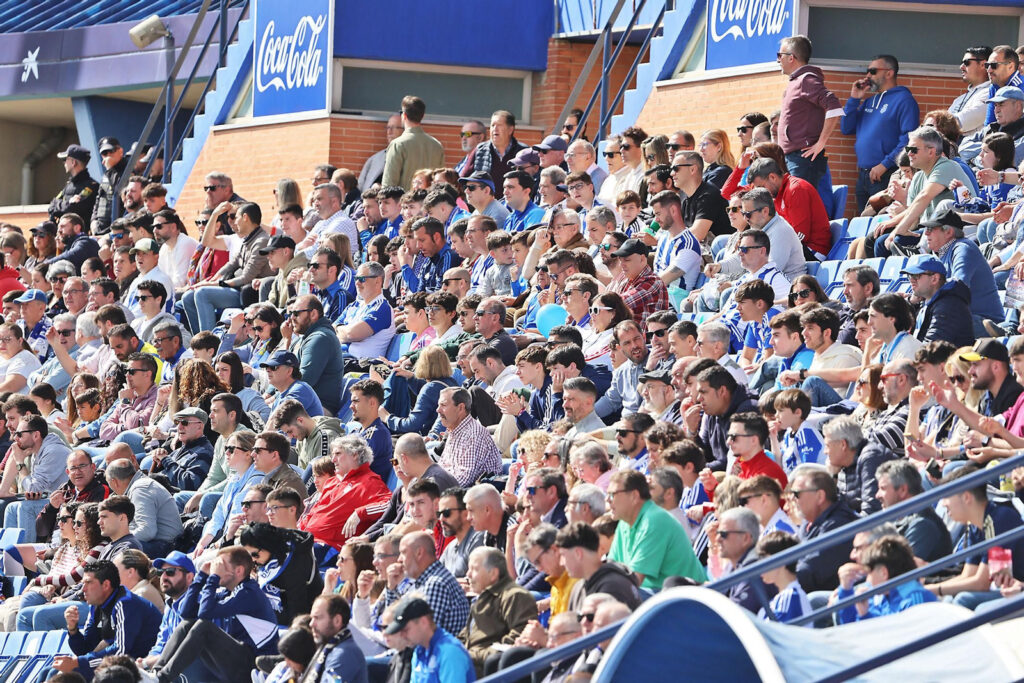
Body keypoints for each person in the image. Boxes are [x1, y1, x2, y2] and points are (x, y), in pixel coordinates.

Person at [144, 546, 278, 683]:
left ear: (239, 570)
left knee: (204, 627)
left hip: (256, 667)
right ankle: (157, 673)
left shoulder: (249, 593)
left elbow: (205, 613)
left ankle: (162, 678)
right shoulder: (227, 592)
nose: (216, 569)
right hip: (237, 662)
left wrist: (213, 577)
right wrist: (201, 575)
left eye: (221, 565)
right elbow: (186, 613)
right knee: (187, 624)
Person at [44, 560, 161, 681]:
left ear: (105, 585)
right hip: (115, 667)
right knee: (48, 671)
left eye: (88, 583)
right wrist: (73, 629)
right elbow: (86, 649)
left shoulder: (125, 603)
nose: (83, 589)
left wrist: (79, 663)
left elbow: (121, 651)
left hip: (137, 671)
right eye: (83, 583)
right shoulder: (95, 606)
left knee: (59, 675)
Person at [840, 54, 920, 212]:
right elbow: (846, 128)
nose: (868, 76)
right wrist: (854, 99)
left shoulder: (904, 100)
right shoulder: (869, 101)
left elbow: (908, 140)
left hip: (886, 175)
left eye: (873, 71)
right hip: (863, 175)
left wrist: (885, 164)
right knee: (863, 223)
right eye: (868, 71)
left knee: (877, 225)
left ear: (889, 73)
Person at [181, 203, 271, 333]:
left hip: (248, 293)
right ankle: (199, 339)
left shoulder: (261, 240)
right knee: (188, 297)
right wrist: (207, 282)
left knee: (203, 293)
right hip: (237, 289)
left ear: (245, 217)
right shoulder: (249, 239)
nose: (234, 222)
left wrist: (216, 284)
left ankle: (209, 342)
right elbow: (231, 264)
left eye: (236, 217)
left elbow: (246, 277)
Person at [605, 470, 703, 590]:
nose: (607, 500)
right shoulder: (625, 521)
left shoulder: (655, 520)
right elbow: (611, 568)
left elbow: (634, 581)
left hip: (686, 599)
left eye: (612, 494)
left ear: (634, 496)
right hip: (656, 594)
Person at [299, 435, 391, 550]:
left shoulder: (370, 481)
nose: (333, 460)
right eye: (333, 455)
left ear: (354, 455)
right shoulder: (332, 481)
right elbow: (314, 511)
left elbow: (390, 505)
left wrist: (360, 513)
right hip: (308, 539)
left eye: (338, 454)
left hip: (332, 547)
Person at [776, 35, 843, 188]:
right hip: (794, 159)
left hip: (802, 160)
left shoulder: (806, 79)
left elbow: (834, 105)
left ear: (791, 57)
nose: (778, 60)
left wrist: (821, 143)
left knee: (800, 207)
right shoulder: (797, 81)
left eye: (780, 55)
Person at [461, 546, 536, 676]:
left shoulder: (515, 596)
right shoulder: (482, 597)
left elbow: (518, 640)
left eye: (474, 569)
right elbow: (465, 637)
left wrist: (473, 655)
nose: (468, 574)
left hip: (489, 672)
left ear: (493, 574)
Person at [791, 467, 860, 593]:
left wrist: (779, 579)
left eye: (797, 494)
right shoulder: (809, 522)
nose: (792, 499)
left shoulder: (839, 525)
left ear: (820, 496)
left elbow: (810, 572)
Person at [4, 413, 71, 537]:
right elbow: (35, 489)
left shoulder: (53, 451)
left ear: (35, 435)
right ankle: (8, 552)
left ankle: (25, 551)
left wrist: (19, 462)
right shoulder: (38, 451)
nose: (15, 438)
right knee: (11, 507)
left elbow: (34, 487)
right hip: (51, 498)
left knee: (26, 507)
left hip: (66, 501)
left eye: (19, 434)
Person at [874, 460, 952, 563]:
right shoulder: (903, 519)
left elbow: (898, 570)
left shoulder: (922, 525)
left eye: (883, 488)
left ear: (902, 490)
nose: (877, 495)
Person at [105, 459, 184, 559]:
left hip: (165, 547)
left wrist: (118, 538)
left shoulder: (140, 489)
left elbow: (147, 532)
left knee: (117, 550)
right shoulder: (139, 485)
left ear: (114, 482)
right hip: (160, 544)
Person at [387, 595, 475, 683]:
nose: (403, 635)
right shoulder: (419, 650)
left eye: (406, 630)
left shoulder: (449, 652)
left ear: (423, 622)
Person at [903, 256, 975, 348]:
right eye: (909, 275)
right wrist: (911, 303)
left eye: (916, 275)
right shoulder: (927, 301)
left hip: (946, 361)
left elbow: (932, 349)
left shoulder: (949, 306)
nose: (911, 280)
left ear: (934, 279)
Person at [437, 387, 502, 486]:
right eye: (439, 405)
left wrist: (433, 491)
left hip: (471, 494)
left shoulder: (473, 434)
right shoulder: (455, 430)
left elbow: (464, 480)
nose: (438, 410)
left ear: (460, 408)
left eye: (443, 405)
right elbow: (443, 467)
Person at [382, 96, 444, 190]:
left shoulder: (398, 144)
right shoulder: (437, 145)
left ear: (404, 115)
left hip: (405, 202)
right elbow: (441, 182)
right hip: (430, 202)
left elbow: (388, 185)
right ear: (422, 116)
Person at [50, 145, 99, 224]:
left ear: (73, 162)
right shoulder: (69, 184)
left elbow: (72, 209)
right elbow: (52, 204)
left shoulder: (91, 186)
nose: (64, 163)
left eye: (65, 159)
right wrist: (67, 203)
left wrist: (59, 205)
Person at [952, 46, 994, 136]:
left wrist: (935, 122)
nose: (961, 67)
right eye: (962, 63)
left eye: (966, 62)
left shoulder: (990, 93)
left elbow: (961, 122)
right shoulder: (959, 99)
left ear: (983, 64)